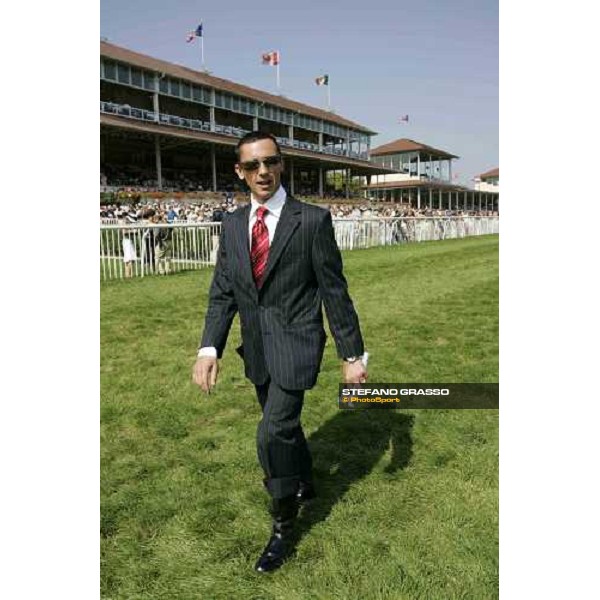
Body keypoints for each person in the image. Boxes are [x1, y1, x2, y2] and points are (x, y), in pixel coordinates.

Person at [192, 131, 368, 573]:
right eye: (252, 166)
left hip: (298, 345)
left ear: (281, 165)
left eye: (270, 162)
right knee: (284, 430)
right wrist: (209, 347)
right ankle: (305, 480)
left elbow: (334, 290)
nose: (263, 172)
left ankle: (284, 526)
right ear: (240, 171)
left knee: (271, 434)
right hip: (257, 351)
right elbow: (223, 293)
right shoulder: (233, 225)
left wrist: (352, 355)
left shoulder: (311, 220)